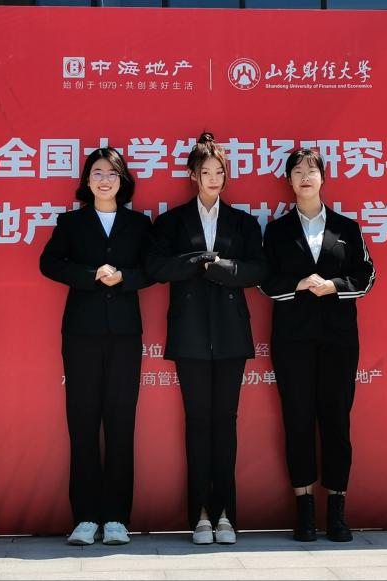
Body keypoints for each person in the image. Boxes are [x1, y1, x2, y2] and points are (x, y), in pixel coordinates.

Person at [145, 132, 268, 545]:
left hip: (231, 332)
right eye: (206, 172)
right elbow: (155, 267)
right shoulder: (172, 222)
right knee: (197, 422)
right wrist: (197, 261)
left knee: (225, 423)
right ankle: (199, 514)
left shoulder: (243, 222)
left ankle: (226, 515)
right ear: (192, 175)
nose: (214, 179)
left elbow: (258, 270)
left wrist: (220, 268)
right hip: (190, 332)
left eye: (220, 172)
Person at [258, 149, 376, 543]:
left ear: (323, 178)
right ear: (289, 181)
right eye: (297, 171)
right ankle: (304, 511)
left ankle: (337, 511)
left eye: (312, 170)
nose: (305, 176)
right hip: (292, 339)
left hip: (338, 340)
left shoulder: (347, 227)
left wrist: (335, 286)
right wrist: (296, 284)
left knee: (336, 420)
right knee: (297, 419)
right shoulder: (277, 231)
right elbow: (264, 280)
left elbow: (367, 275)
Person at [39, 147, 152, 546]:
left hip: (124, 334)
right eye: (98, 173)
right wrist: (90, 275)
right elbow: (49, 263)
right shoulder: (71, 222)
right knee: (83, 422)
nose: (105, 180)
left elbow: (153, 269)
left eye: (112, 173)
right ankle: (85, 517)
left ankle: (117, 517)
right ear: (87, 180)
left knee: (121, 423)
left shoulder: (139, 224)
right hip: (81, 334)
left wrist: (124, 278)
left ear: (123, 180)